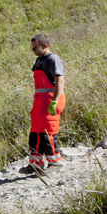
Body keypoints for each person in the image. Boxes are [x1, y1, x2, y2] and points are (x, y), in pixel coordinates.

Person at [23, 33, 66, 173]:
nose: (33, 51)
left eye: (35, 48)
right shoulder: (39, 60)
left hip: (50, 99)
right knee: (36, 131)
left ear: (45, 46)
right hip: (40, 101)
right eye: (32, 48)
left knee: (48, 131)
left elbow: (60, 81)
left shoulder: (53, 59)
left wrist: (54, 101)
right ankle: (36, 164)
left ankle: (55, 162)